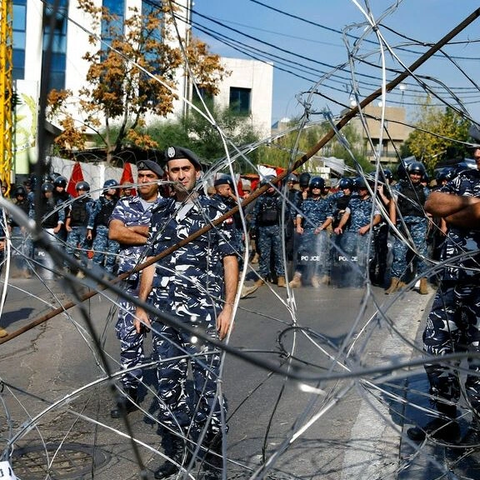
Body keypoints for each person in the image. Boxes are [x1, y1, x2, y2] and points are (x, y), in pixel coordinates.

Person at [135, 146, 238, 480]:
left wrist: (228, 307)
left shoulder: (215, 209)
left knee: (206, 384)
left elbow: (230, 259)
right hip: (164, 313)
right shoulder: (161, 211)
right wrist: (141, 305)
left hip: (202, 312)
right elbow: (150, 261)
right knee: (169, 385)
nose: (179, 175)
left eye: (185, 169)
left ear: (197, 171)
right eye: (174, 169)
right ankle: (177, 451)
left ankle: (211, 455)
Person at [407, 145, 480, 445]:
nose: (477, 153)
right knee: (435, 347)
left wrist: (460, 209)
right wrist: (468, 204)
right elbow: (432, 203)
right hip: (452, 281)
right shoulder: (464, 177)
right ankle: (445, 418)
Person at [109, 159, 164, 419]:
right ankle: (130, 392)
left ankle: (169, 397)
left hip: (162, 284)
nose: (143, 180)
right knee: (129, 339)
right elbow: (115, 233)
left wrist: (135, 229)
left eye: (148, 175)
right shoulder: (125, 204)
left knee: (165, 341)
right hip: (130, 284)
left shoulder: (168, 206)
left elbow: (173, 237)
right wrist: (149, 234)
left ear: (159, 179)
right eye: (140, 175)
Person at [386, 161, 431, 295]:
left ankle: (423, 282)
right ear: (408, 174)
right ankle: (395, 282)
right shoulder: (399, 187)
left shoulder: (425, 190)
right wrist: (393, 224)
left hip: (419, 225)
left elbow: (429, 208)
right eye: (413, 173)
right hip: (403, 224)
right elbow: (393, 204)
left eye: (418, 174)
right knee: (398, 253)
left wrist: (429, 222)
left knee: (421, 254)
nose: (415, 176)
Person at [334, 177, 381, 288]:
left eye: (363, 188)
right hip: (352, 232)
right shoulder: (353, 200)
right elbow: (346, 214)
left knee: (363, 257)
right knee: (349, 255)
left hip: (366, 233)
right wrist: (340, 226)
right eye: (358, 188)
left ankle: (362, 279)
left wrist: (367, 227)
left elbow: (378, 217)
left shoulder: (373, 201)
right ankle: (348, 277)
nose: (360, 191)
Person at [289, 176, 332, 288]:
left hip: (319, 234)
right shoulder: (305, 202)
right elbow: (299, 215)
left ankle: (315, 277)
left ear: (321, 189)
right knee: (303, 255)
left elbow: (330, 218)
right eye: (313, 187)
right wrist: (298, 225)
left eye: (318, 188)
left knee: (317, 256)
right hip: (307, 232)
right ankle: (297, 278)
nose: (315, 189)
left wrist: (322, 227)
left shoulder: (325, 203)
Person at [251, 176, 286, 288]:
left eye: (272, 186)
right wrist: (253, 228)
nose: (270, 188)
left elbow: (287, 214)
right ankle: (262, 276)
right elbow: (255, 214)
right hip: (263, 229)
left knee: (278, 254)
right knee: (264, 254)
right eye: (267, 186)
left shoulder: (280, 198)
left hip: (276, 228)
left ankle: (280, 276)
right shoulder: (261, 199)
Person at [87, 179, 120, 275]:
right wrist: (89, 231)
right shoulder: (99, 202)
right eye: (112, 188)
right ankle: (97, 274)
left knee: (112, 255)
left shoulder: (117, 202)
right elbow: (92, 216)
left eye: (115, 189)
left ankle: (108, 275)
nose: (114, 190)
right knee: (98, 253)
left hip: (113, 231)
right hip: (101, 230)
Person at [64, 181, 94, 277]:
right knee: (69, 249)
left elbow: (91, 217)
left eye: (83, 190)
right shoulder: (73, 201)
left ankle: (82, 270)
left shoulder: (90, 202)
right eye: (80, 190)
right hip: (74, 227)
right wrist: (67, 225)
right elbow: (70, 213)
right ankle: (67, 268)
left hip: (84, 228)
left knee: (83, 251)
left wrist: (89, 231)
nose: (81, 192)